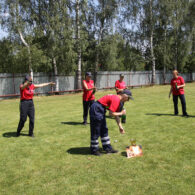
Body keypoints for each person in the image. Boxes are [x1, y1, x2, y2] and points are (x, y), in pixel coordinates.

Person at [89, 89, 134, 156]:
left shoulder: (117, 100)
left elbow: (116, 115)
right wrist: (121, 113)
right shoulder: (116, 99)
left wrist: (120, 127)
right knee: (96, 129)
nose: (128, 100)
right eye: (128, 98)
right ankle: (94, 149)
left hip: (100, 109)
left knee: (104, 129)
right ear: (124, 95)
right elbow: (111, 114)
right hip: (96, 109)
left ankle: (107, 148)